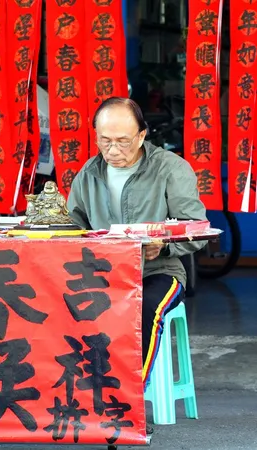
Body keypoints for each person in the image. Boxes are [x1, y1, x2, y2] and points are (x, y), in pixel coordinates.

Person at [67, 97, 207, 416]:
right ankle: (78, 399)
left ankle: (127, 403)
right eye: (105, 141)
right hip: (105, 273)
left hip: (160, 270)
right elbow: (73, 224)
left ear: (142, 136)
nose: (113, 150)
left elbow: (196, 227)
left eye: (122, 142)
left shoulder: (170, 168)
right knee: (60, 307)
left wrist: (165, 245)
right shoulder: (89, 174)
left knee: (142, 309)